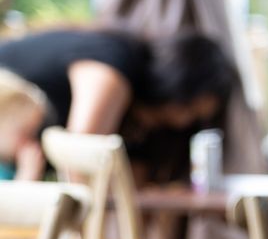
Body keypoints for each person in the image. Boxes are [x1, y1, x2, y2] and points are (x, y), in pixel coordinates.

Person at [0, 28, 238, 185]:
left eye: (195, 118)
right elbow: (78, 162)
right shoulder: (113, 66)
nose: (183, 121)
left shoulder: (142, 130)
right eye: (187, 107)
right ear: (176, 82)